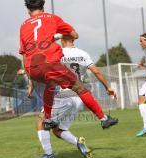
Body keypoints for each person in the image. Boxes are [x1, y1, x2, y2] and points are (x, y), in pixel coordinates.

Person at [19, 0, 118, 131]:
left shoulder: (23, 26)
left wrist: (30, 78)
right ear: (43, 7)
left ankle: (48, 120)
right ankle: (103, 119)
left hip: (31, 68)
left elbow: (24, 54)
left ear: (28, 11)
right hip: (49, 62)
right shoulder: (52, 18)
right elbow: (74, 35)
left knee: (50, 85)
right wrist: (60, 34)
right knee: (80, 88)